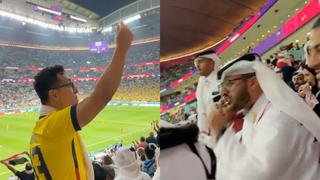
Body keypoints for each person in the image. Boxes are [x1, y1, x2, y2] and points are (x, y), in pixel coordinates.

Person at [29, 22, 133, 179]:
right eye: (70, 85)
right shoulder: (53, 126)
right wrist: (122, 48)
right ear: (54, 94)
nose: (76, 90)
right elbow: (100, 97)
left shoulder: (45, 128)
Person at [209, 53, 320, 180]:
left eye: (229, 83)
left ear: (252, 82)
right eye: (222, 85)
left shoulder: (279, 117)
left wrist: (220, 133)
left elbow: (251, 176)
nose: (223, 91)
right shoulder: (253, 115)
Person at [194, 50, 221, 144]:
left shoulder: (223, 79)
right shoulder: (202, 86)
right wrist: (203, 133)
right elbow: (201, 111)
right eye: (196, 63)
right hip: (213, 135)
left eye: (200, 61)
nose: (197, 65)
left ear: (211, 62)